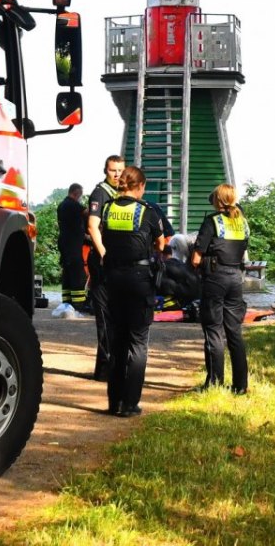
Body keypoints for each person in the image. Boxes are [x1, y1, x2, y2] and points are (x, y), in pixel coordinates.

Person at [91, 165, 165, 416]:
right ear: (140, 186)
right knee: (137, 342)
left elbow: (100, 232)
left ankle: (114, 402)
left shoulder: (109, 208)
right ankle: (130, 403)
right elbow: (160, 242)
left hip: (113, 279)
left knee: (118, 341)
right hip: (139, 278)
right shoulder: (148, 211)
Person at [191, 183, 250, 395]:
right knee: (234, 332)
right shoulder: (242, 223)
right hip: (236, 278)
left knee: (214, 330)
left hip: (215, 278)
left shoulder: (211, 222)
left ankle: (215, 383)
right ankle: (241, 385)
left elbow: (196, 258)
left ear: (218, 200)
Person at [85, 154, 124, 380]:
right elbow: (92, 226)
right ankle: (105, 369)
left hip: (119, 262)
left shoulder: (120, 194)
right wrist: (104, 254)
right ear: (105, 171)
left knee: (116, 317)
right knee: (105, 316)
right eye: (113, 170)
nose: (117, 175)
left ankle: (112, 366)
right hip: (103, 262)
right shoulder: (100, 193)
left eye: (120, 170)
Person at [56, 183, 87, 313]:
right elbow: (87, 213)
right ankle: (78, 305)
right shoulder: (73, 205)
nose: (80, 197)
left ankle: (67, 302)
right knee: (77, 274)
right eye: (80, 195)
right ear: (76, 193)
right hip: (73, 245)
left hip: (64, 243)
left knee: (67, 273)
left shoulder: (61, 205)